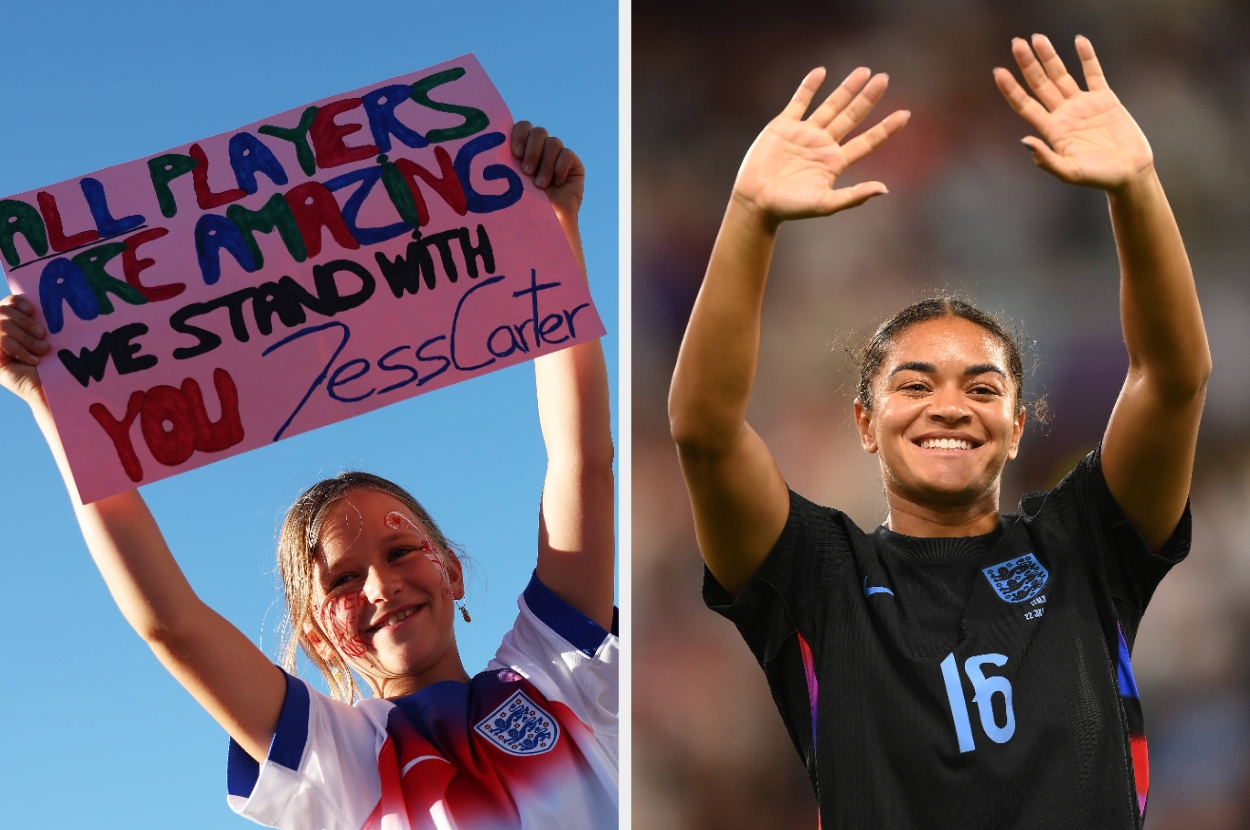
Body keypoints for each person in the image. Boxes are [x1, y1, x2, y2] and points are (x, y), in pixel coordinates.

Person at [0, 121, 617, 830]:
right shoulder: (329, 757)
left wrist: (550, 232)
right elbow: (170, 624)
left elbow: (583, 463)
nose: (380, 586)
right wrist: (54, 405)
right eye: (342, 580)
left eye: (399, 551)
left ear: (451, 569)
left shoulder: (558, 673)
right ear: (316, 636)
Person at [668, 34, 1207, 829]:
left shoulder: (1085, 545)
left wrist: (1137, 187)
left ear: (1018, 427)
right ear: (864, 421)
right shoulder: (821, 577)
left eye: (982, 387)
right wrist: (750, 216)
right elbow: (706, 431)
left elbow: (1170, 380)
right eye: (913, 384)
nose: (949, 406)